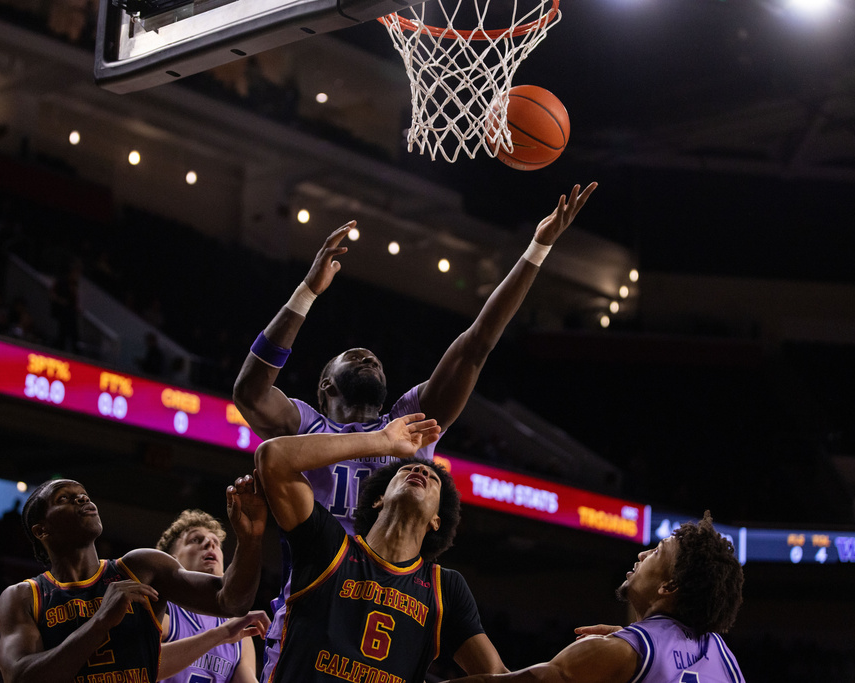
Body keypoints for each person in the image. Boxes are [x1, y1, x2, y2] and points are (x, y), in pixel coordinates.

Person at [233, 183, 597, 680]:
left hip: (400, 602)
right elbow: (251, 393)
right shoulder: (308, 424)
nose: (368, 356)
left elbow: (476, 346)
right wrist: (306, 294)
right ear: (324, 386)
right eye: (353, 356)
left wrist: (538, 248)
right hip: (319, 603)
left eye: (375, 357)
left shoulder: (411, 419)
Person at [254, 413, 507, 682]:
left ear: (436, 520)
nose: (420, 471)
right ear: (379, 499)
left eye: (432, 479)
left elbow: (495, 675)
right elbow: (273, 457)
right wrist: (382, 441)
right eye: (406, 470)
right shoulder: (329, 546)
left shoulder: (445, 587)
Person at [0, 477, 266, 683]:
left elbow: (231, 601)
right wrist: (101, 621)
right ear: (41, 530)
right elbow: (20, 677)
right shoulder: (23, 596)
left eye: (83, 495)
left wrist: (250, 539)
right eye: (64, 498)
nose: (81, 499)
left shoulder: (142, 567)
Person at [440, 512, 746, 683]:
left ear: (669, 586)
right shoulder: (727, 662)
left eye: (656, 552)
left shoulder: (620, 652)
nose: (641, 554)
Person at [155, 510, 271, 683]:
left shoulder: (239, 629)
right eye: (195, 539)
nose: (210, 543)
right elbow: (137, 669)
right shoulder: (160, 607)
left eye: (216, 542)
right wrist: (220, 635)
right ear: (171, 560)